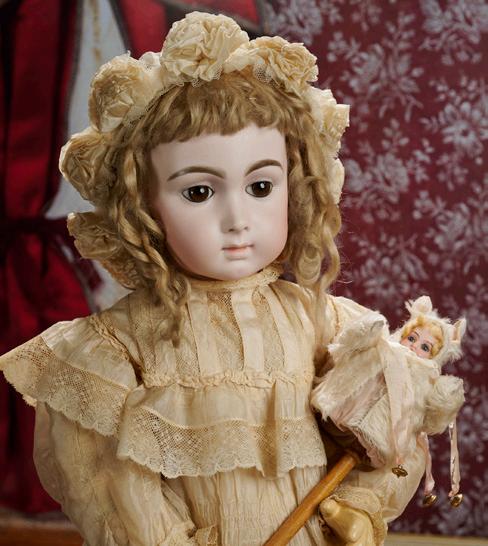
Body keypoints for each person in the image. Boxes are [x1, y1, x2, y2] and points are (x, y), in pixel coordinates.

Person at [1, 12, 427, 545]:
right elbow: (112, 485)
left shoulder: (323, 324)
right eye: (199, 192)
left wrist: (359, 507)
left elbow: (388, 430)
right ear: (144, 208)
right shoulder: (118, 348)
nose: (237, 219)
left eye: (261, 187)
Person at [311, 295, 466, 512]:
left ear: (435, 357)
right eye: (412, 338)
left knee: (344, 479)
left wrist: (445, 401)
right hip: (335, 415)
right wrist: (366, 333)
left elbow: (430, 421)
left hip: (373, 445)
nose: (414, 347)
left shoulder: (425, 379)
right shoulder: (384, 348)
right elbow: (346, 350)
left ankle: (337, 509)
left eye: (425, 347)